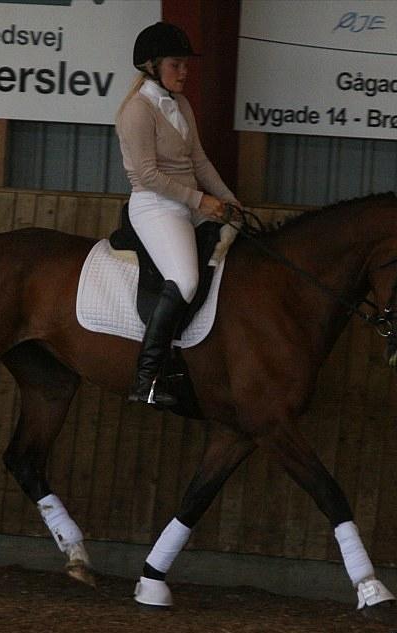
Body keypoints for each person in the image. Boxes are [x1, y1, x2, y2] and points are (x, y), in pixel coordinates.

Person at [116, 21, 240, 407]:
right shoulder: (137, 111)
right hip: (155, 206)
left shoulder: (181, 105)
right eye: (177, 64)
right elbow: (149, 176)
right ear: (152, 66)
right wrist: (201, 202)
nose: (185, 71)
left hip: (186, 202)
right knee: (185, 278)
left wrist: (231, 202)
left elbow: (199, 161)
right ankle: (147, 377)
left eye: (185, 64)